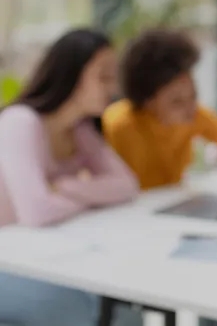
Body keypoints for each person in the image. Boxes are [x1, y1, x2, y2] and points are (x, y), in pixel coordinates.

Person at [0, 28, 141, 326]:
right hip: (9, 261)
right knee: (86, 308)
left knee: (126, 307)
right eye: (102, 77)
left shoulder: (80, 130)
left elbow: (128, 185)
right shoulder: (19, 123)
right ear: (70, 75)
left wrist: (64, 188)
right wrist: (90, 194)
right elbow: (36, 212)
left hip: (39, 255)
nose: (112, 88)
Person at [102, 27, 217, 190]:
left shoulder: (196, 115)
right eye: (177, 102)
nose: (190, 108)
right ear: (148, 101)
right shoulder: (117, 126)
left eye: (193, 96)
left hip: (167, 202)